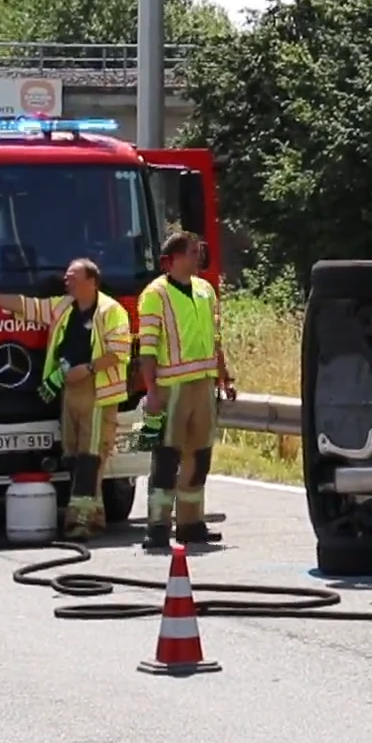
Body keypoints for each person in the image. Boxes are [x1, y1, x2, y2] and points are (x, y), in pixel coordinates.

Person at [0, 259, 134, 540]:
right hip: (69, 390)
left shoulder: (111, 311)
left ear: (92, 281)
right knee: (73, 457)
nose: (67, 281)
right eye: (66, 276)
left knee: (90, 458)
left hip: (98, 391)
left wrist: (89, 368)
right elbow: (25, 305)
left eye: (73, 277)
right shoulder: (64, 306)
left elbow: (120, 352)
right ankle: (96, 514)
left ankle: (78, 520)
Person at [136, 231, 236, 551]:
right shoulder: (156, 294)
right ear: (174, 258)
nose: (198, 257)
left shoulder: (205, 290)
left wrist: (224, 376)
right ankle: (158, 525)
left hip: (203, 385)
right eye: (193, 252)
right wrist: (151, 391)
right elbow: (147, 349)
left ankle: (191, 523)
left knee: (200, 455)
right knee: (167, 457)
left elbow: (215, 338)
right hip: (172, 387)